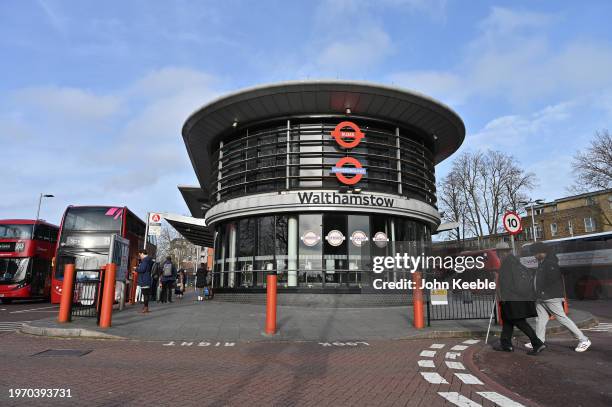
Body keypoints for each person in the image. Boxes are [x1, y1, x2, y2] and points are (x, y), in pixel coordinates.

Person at [526, 242, 591, 352]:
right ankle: (538, 341)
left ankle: (583, 339)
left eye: (535, 253)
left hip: (550, 297)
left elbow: (552, 281)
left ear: (542, 252)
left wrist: (541, 293)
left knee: (562, 318)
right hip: (541, 298)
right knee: (540, 320)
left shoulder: (550, 263)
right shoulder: (543, 262)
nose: (534, 256)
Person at [494, 250, 545, 355]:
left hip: (511, 300)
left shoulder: (506, 265)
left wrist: (503, 297)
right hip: (519, 298)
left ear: (502, 254)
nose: (498, 257)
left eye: (499, 254)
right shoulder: (517, 263)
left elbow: (506, 284)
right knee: (508, 321)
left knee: (519, 321)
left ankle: (537, 343)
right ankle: (506, 344)